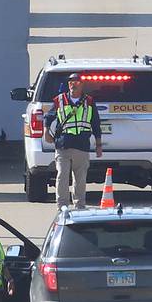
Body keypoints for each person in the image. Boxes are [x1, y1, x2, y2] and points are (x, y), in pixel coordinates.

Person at [44, 72, 103, 210]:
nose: (73, 84)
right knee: (62, 177)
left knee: (80, 179)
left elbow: (96, 124)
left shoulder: (89, 102)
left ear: (82, 85)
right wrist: (46, 131)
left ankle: (79, 206)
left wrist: (98, 145)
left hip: (81, 146)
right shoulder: (59, 100)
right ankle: (62, 206)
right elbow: (48, 117)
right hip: (63, 145)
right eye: (70, 82)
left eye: (76, 81)